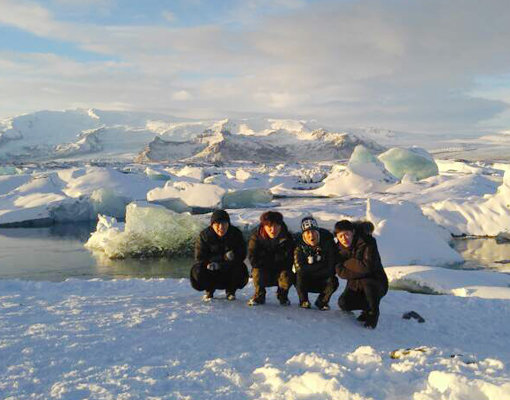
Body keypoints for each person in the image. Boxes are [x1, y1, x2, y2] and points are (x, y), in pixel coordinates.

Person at [334, 219, 388, 328]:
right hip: (356, 283)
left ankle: (373, 312)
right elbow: (340, 272)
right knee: (344, 303)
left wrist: (346, 263)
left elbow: (368, 267)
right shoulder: (338, 249)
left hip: (376, 283)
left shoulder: (367, 242)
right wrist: (358, 266)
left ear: (353, 232)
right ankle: (367, 307)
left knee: (367, 281)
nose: (344, 238)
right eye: (341, 236)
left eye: (347, 234)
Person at [190, 209, 249, 302]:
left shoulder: (236, 234)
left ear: (228, 224)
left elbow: (242, 255)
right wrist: (212, 262)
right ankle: (209, 290)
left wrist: (228, 261)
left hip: (229, 268)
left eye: (224, 223)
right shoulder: (204, 235)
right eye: (217, 224)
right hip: (211, 269)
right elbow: (199, 257)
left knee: (240, 268)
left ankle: (231, 291)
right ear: (212, 225)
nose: (221, 227)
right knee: (197, 270)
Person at [247, 211, 295, 306]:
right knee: (256, 271)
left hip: (280, 271)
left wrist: (267, 258)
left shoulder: (287, 238)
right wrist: (273, 259)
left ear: (280, 226)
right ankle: (259, 295)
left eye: (276, 226)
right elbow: (253, 259)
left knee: (288, 274)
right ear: (264, 226)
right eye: (269, 227)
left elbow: (289, 261)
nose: (273, 230)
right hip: (263, 270)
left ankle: (282, 295)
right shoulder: (256, 237)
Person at [293, 216, 339, 310]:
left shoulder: (328, 243)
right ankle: (304, 300)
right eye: (308, 232)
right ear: (303, 235)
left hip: (322, 279)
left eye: (313, 231)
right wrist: (321, 265)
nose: (311, 235)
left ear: (318, 233)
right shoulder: (299, 246)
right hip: (306, 280)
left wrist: (311, 268)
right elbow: (300, 269)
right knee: (297, 276)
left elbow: (331, 268)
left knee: (333, 281)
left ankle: (322, 302)